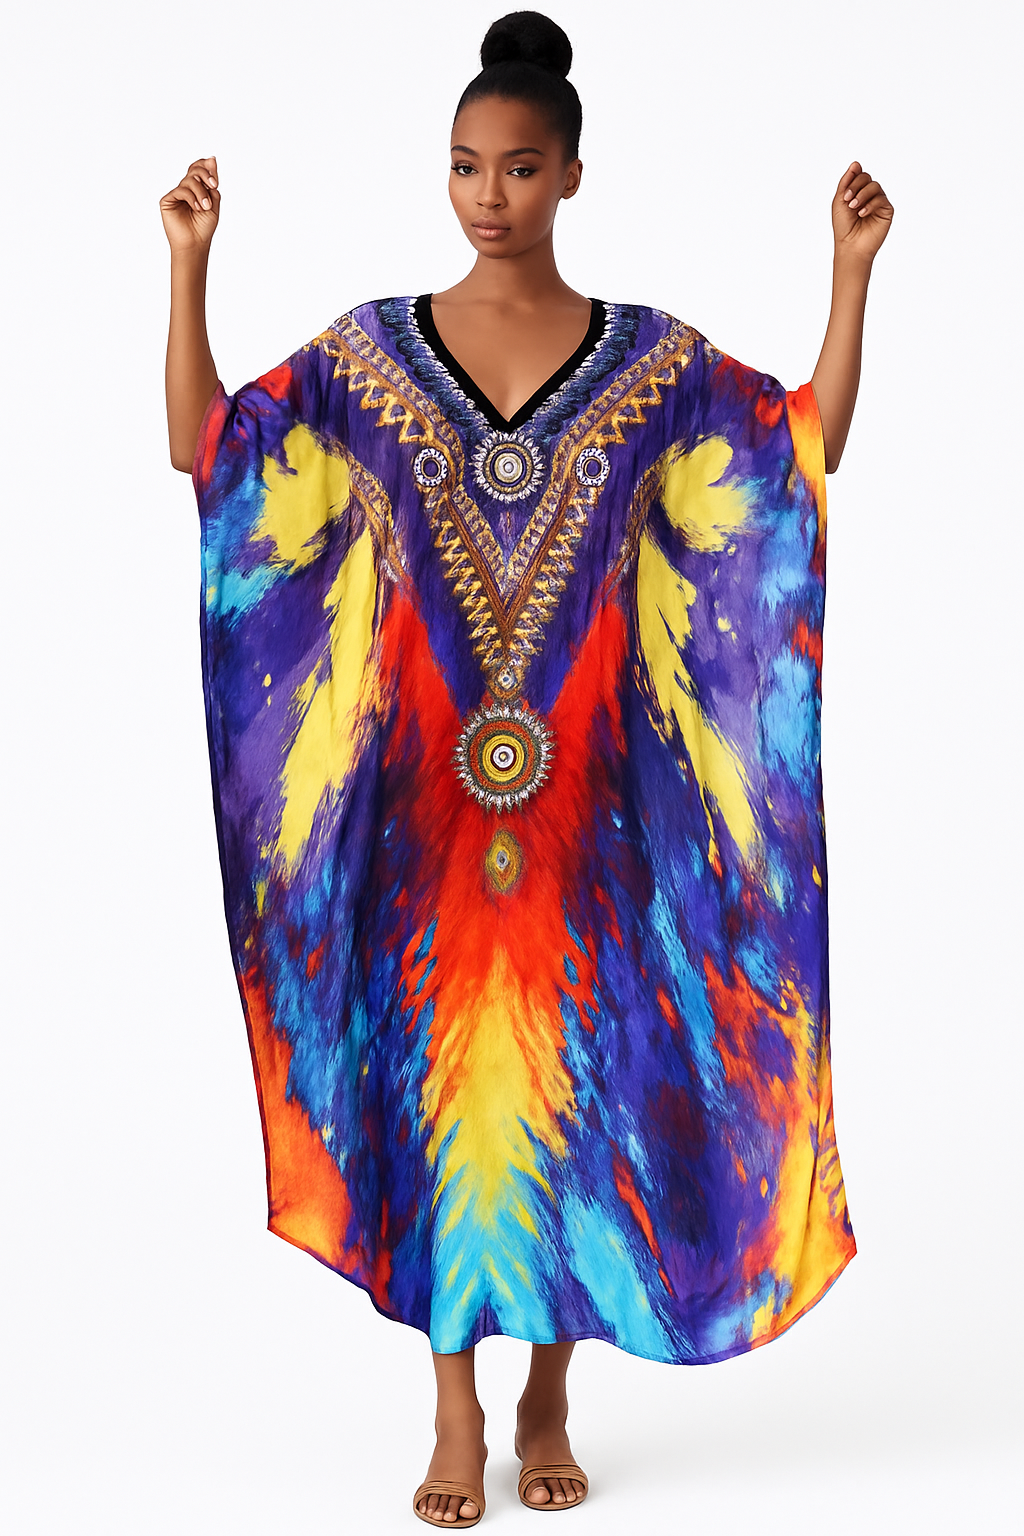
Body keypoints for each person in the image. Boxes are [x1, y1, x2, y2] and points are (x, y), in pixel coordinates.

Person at [161, 11, 892, 1527]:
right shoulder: (367, 358)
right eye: (463, 166)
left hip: (592, 821)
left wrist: (850, 278)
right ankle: (453, 1415)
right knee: (440, 1102)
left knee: (574, 1093)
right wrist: (187, 268)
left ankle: (549, 1394)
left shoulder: (651, 363)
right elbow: (208, 453)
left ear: (569, 176)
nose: (485, 194)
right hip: (422, 820)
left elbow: (798, 448)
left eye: (515, 167)